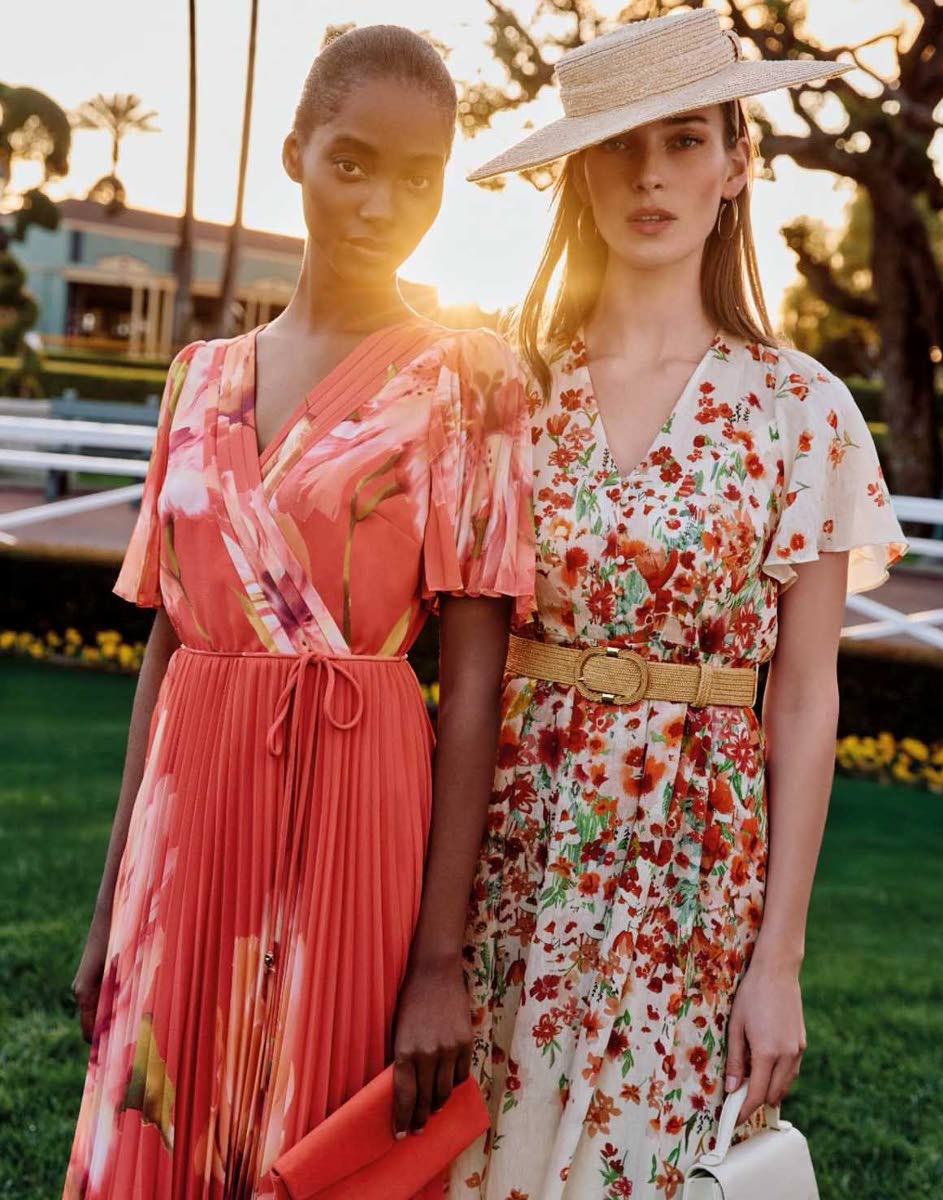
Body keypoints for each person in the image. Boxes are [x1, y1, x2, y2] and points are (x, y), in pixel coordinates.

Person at [64, 26, 534, 1200]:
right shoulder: (198, 379)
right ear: (296, 155)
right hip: (193, 814)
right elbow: (170, 643)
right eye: (353, 161)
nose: (382, 202)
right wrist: (116, 894)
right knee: (157, 1133)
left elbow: (475, 684)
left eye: (419, 178)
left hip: (358, 812)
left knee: (312, 1152)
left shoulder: (471, 383)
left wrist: (439, 962)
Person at [451, 10, 906, 1198]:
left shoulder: (801, 409)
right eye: (618, 145)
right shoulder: (507, 386)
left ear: (737, 164)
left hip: (695, 873)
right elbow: (466, 663)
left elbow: (806, 696)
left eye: (686, 139)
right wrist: (431, 938)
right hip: (513, 848)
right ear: (578, 171)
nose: (651, 173)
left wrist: (780, 960)